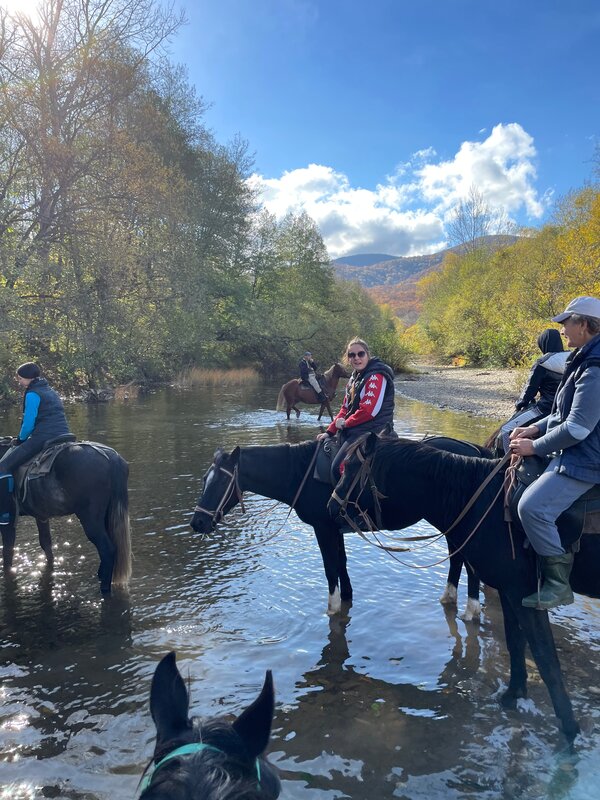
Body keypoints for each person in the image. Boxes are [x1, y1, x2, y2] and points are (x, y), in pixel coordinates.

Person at [509, 296, 600, 609]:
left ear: (585, 325)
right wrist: (536, 427)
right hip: (577, 451)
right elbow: (563, 412)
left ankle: (559, 586)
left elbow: (577, 428)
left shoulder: (595, 367)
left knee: (531, 508)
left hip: (586, 459)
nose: (562, 329)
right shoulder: (582, 357)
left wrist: (533, 446)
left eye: (567, 322)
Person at [0, 362, 71, 525]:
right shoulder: (50, 390)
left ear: (27, 378)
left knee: (3, 467)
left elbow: (28, 423)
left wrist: (21, 439)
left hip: (44, 436)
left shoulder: (32, 393)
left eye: (19, 377)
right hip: (65, 434)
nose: (18, 380)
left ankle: (5, 511)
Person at [316, 338, 395, 477]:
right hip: (358, 429)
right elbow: (345, 409)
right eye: (352, 355)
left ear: (368, 355)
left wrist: (345, 424)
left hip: (375, 431)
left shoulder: (376, 376)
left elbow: (368, 412)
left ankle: (349, 499)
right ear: (348, 358)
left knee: (337, 467)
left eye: (361, 354)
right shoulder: (354, 378)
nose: (356, 358)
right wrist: (329, 432)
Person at [499, 328, 569, 454]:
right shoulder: (573, 358)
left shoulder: (543, 362)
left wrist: (519, 406)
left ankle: (505, 467)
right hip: (565, 411)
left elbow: (529, 390)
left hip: (543, 410)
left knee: (505, 431)